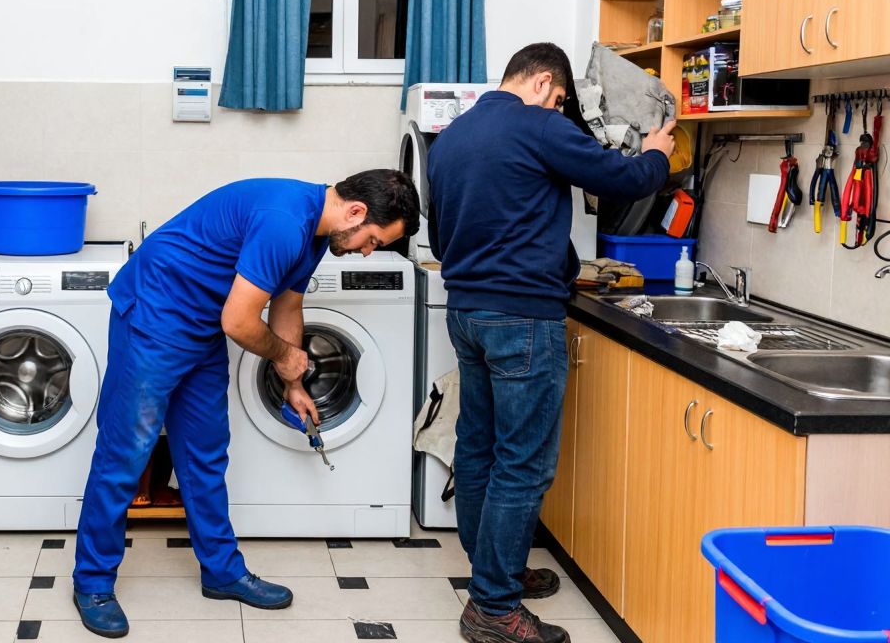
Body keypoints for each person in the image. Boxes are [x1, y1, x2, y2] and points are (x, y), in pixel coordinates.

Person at [72, 170, 421, 638]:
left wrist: (292, 382)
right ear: (356, 213)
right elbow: (239, 321)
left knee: (206, 453)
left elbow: (287, 307)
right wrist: (285, 354)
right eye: (374, 240)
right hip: (155, 316)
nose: (366, 251)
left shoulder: (315, 234)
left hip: (202, 325)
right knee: (125, 453)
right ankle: (92, 584)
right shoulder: (284, 222)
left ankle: (222, 572)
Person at [426, 43, 674, 643]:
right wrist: (658, 154)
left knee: (479, 448)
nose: (562, 110)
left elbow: (440, 233)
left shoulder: (451, 138)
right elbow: (621, 177)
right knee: (523, 465)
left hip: (466, 313)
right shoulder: (539, 125)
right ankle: (492, 606)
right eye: (561, 99)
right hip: (522, 320)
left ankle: (492, 572)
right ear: (541, 83)